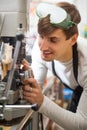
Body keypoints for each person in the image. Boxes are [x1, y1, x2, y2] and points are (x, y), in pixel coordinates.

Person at [22, 2, 87, 130]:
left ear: (73, 39)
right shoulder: (39, 47)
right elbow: (35, 89)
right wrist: (28, 78)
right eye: (41, 36)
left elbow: (82, 124)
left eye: (53, 40)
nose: (43, 46)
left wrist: (42, 102)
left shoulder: (85, 63)